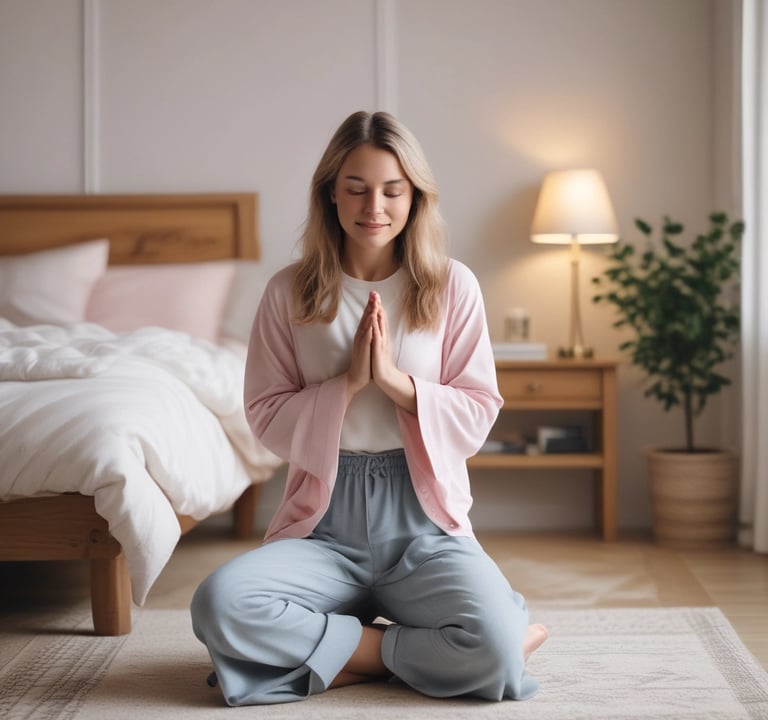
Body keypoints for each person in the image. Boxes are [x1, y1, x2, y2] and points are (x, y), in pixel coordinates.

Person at [190, 110, 547, 706]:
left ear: (415, 197)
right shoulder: (289, 291)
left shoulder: (451, 285)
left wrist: (395, 382)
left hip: (424, 526)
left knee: (493, 645)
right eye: (355, 188)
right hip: (323, 525)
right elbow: (264, 412)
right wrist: (349, 384)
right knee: (219, 605)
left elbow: (480, 405)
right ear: (331, 192)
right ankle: (430, 653)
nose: (373, 206)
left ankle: (346, 656)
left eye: (392, 190)